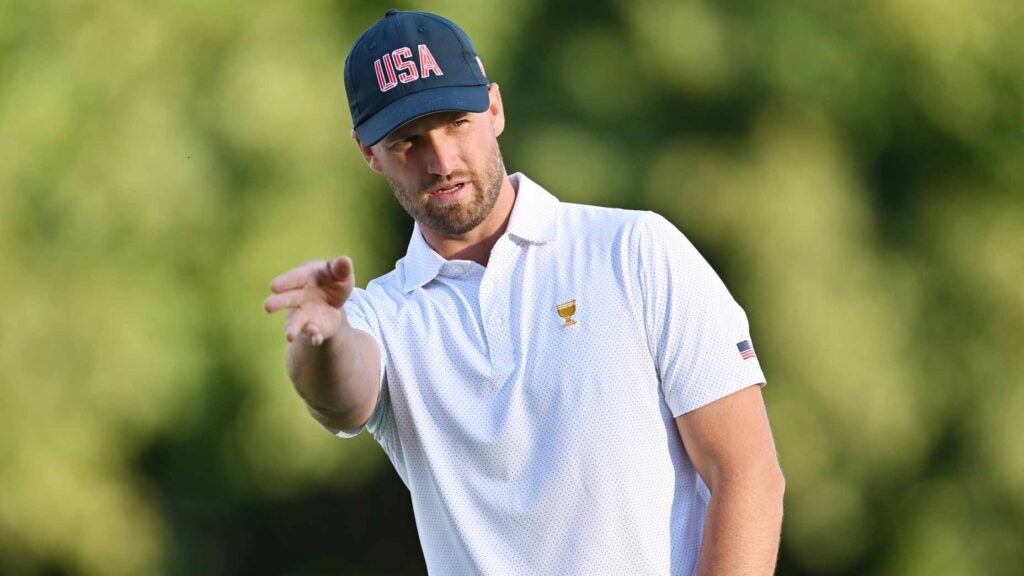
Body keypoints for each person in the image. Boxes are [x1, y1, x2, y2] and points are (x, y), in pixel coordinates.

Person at [264, 9, 784, 575]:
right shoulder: (383, 316)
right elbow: (341, 395)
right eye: (407, 141)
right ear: (369, 153)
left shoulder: (634, 251)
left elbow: (746, 473)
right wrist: (324, 338)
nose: (442, 161)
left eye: (456, 123)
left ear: (494, 109)